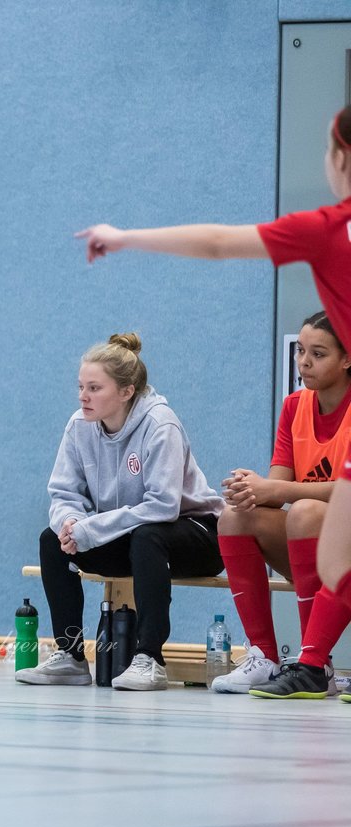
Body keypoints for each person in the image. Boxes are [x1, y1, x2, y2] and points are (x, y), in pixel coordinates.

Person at [75, 105, 351, 700]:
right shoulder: (297, 405)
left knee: (329, 532)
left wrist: (125, 236)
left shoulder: (329, 226)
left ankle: (313, 661)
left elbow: (221, 243)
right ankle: (293, 660)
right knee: (325, 537)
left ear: (339, 158)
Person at [17, 333, 225, 691]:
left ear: (126, 392)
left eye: (95, 388)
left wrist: (92, 529)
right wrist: (70, 523)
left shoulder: (161, 425)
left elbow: (162, 506)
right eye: (80, 386)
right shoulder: (79, 426)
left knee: (149, 535)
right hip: (129, 538)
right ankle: (70, 657)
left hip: (196, 535)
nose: (83, 396)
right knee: (53, 540)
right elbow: (63, 492)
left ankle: (149, 659)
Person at [212, 311, 351, 694]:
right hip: (320, 547)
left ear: (347, 358)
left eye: (318, 354)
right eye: (301, 351)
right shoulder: (294, 406)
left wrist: (280, 492)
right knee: (236, 517)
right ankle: (264, 656)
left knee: (304, 513)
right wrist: (251, 489)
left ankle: (313, 661)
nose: (304, 361)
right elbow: (278, 484)